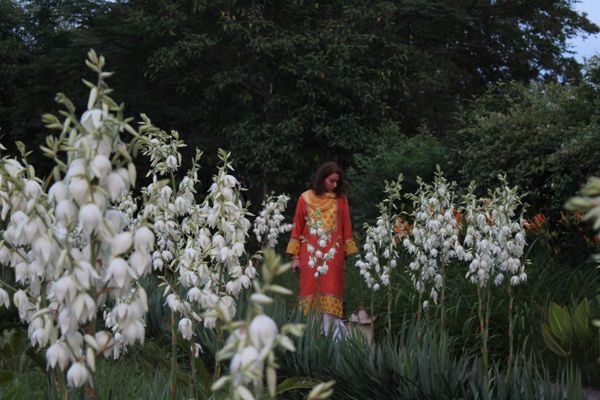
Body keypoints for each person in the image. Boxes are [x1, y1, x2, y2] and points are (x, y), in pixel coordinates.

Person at [286, 161, 358, 338]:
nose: (335, 185)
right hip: (309, 257)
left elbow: (346, 227)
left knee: (331, 296)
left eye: (337, 182)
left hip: (333, 258)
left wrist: (347, 255)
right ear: (322, 178)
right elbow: (297, 228)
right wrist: (294, 257)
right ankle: (311, 339)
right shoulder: (305, 199)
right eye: (332, 181)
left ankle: (331, 340)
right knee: (309, 294)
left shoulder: (340, 200)